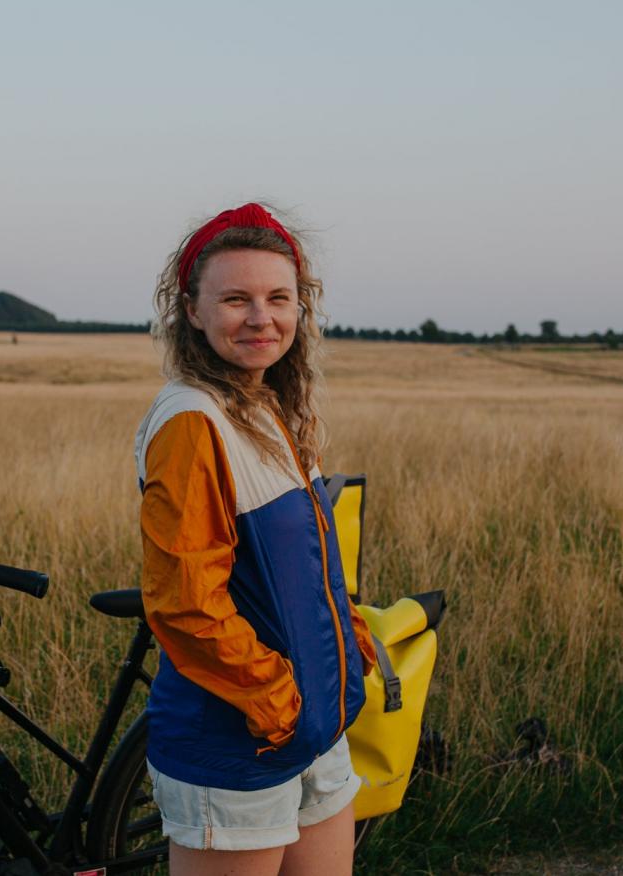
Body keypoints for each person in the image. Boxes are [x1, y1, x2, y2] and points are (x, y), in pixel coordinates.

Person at [135, 202, 377, 875]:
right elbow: (186, 603)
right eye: (235, 298)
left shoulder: (266, 405)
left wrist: (347, 648)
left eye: (279, 297)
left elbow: (311, 565)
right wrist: (281, 704)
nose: (261, 317)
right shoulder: (193, 420)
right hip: (238, 740)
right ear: (192, 310)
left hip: (313, 729)